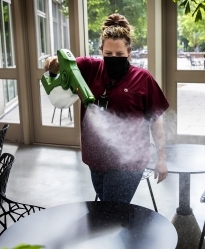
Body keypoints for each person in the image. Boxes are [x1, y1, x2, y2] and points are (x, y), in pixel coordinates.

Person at [44, 13, 169, 204]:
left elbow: (155, 120)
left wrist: (161, 158)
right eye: (108, 54)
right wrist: (53, 64)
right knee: (110, 214)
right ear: (101, 50)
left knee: (110, 213)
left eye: (119, 55)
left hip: (128, 162)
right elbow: (56, 65)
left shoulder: (143, 79)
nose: (114, 58)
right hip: (96, 160)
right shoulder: (89, 68)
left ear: (130, 52)